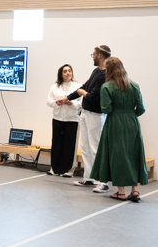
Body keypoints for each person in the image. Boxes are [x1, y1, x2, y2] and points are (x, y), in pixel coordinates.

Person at [90, 58, 147, 202]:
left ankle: (121, 192)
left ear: (108, 70)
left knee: (118, 155)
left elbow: (106, 108)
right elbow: (141, 109)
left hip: (115, 122)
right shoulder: (134, 86)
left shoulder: (107, 87)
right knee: (134, 154)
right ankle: (135, 190)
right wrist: (129, 113)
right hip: (132, 123)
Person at [56, 45, 112, 192]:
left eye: (93, 55)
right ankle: (89, 178)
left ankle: (102, 182)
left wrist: (83, 92)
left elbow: (93, 95)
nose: (92, 57)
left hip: (96, 115)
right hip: (86, 113)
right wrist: (67, 97)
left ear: (99, 56)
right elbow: (85, 87)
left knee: (96, 148)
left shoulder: (106, 74)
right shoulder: (95, 71)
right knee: (85, 148)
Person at [46, 64, 82, 177]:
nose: (68, 73)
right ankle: (55, 168)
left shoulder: (78, 86)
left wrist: (71, 103)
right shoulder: (54, 87)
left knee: (69, 145)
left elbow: (81, 103)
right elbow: (48, 101)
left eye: (69, 71)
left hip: (72, 119)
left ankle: (67, 170)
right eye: (65, 71)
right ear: (61, 74)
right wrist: (57, 103)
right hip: (58, 118)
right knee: (57, 144)